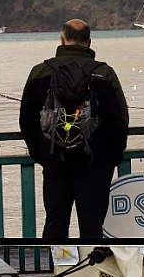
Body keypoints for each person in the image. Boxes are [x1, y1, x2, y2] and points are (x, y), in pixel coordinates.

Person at [19, 19, 129, 239]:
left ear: (62, 39)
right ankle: (89, 271)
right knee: (91, 226)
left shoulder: (40, 72)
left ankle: (59, 270)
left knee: (55, 223)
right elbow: (120, 121)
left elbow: (26, 120)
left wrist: (41, 155)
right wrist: (110, 159)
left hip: (54, 162)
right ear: (89, 42)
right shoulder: (104, 73)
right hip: (95, 164)